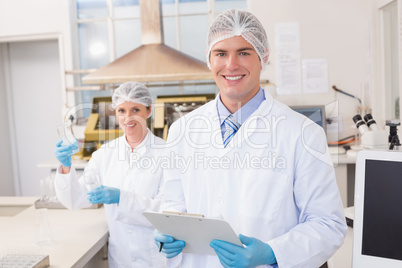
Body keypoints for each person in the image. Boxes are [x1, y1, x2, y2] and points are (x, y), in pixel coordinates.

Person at [155, 9, 347, 268]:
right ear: (209, 60)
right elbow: (174, 203)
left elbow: (328, 224)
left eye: (244, 52)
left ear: (263, 57)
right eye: (221, 53)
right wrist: (168, 230)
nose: (231, 65)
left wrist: (273, 253)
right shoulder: (182, 131)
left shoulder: (301, 133)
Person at [54, 82, 168, 268]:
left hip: (156, 258)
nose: (128, 117)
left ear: (148, 111)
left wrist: (121, 197)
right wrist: (66, 166)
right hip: (121, 258)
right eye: (121, 111)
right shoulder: (105, 154)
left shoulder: (167, 153)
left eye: (135, 110)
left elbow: (167, 211)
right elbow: (76, 199)